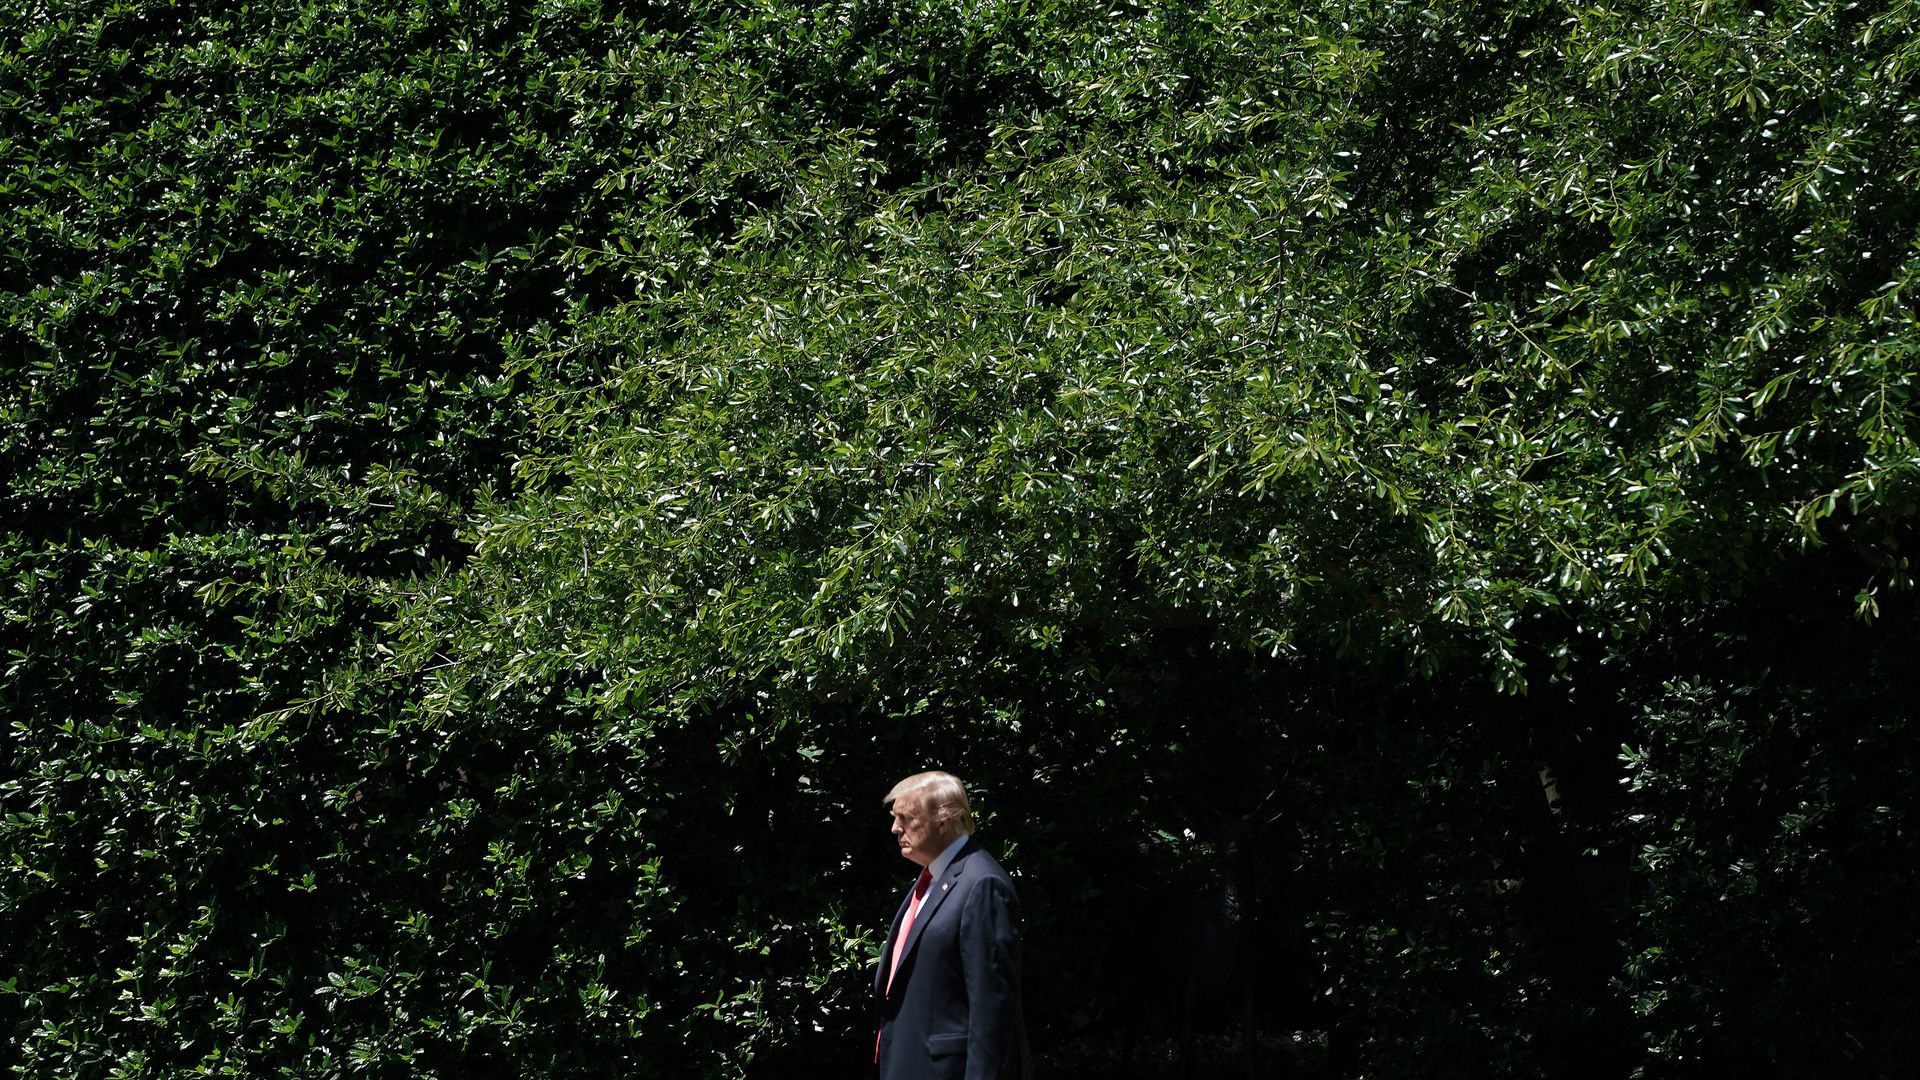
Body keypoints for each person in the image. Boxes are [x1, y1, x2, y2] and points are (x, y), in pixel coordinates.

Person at [873, 770, 1031, 1080]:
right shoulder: (933, 877)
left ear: (943, 820)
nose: (895, 828)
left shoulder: (982, 883)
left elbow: (992, 1008)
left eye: (905, 817)